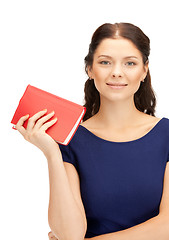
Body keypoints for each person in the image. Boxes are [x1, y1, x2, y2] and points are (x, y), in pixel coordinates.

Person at [15, 23, 169, 240]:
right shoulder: (71, 139)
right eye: (105, 62)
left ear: (144, 70)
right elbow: (69, 234)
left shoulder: (166, 134)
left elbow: (167, 226)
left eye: (130, 63)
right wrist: (52, 153)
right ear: (89, 69)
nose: (116, 72)